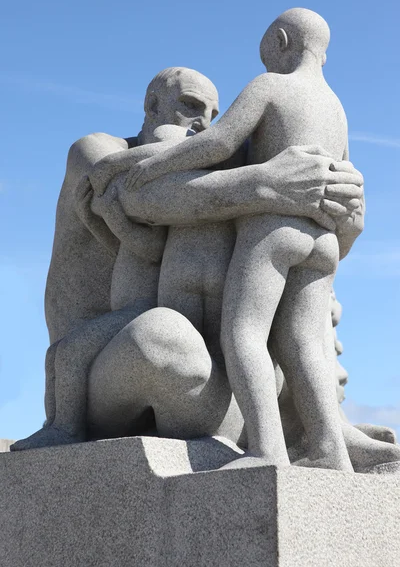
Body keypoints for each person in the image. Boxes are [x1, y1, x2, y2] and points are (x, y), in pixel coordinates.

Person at [11, 66, 364, 451]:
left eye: (214, 115)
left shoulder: (214, 168)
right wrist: (270, 182)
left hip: (202, 374)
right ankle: (63, 426)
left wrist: (341, 207)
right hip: (106, 373)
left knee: (292, 297)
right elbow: (143, 197)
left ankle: (329, 430)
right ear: (152, 105)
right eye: (190, 105)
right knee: (157, 335)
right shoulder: (98, 150)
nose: (203, 124)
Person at [122, 9, 357, 471]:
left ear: (280, 40)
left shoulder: (270, 85)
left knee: (244, 334)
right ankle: (332, 451)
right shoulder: (338, 109)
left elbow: (220, 143)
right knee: (305, 343)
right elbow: (344, 175)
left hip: (274, 232)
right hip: (323, 241)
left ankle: (267, 450)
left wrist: (152, 166)